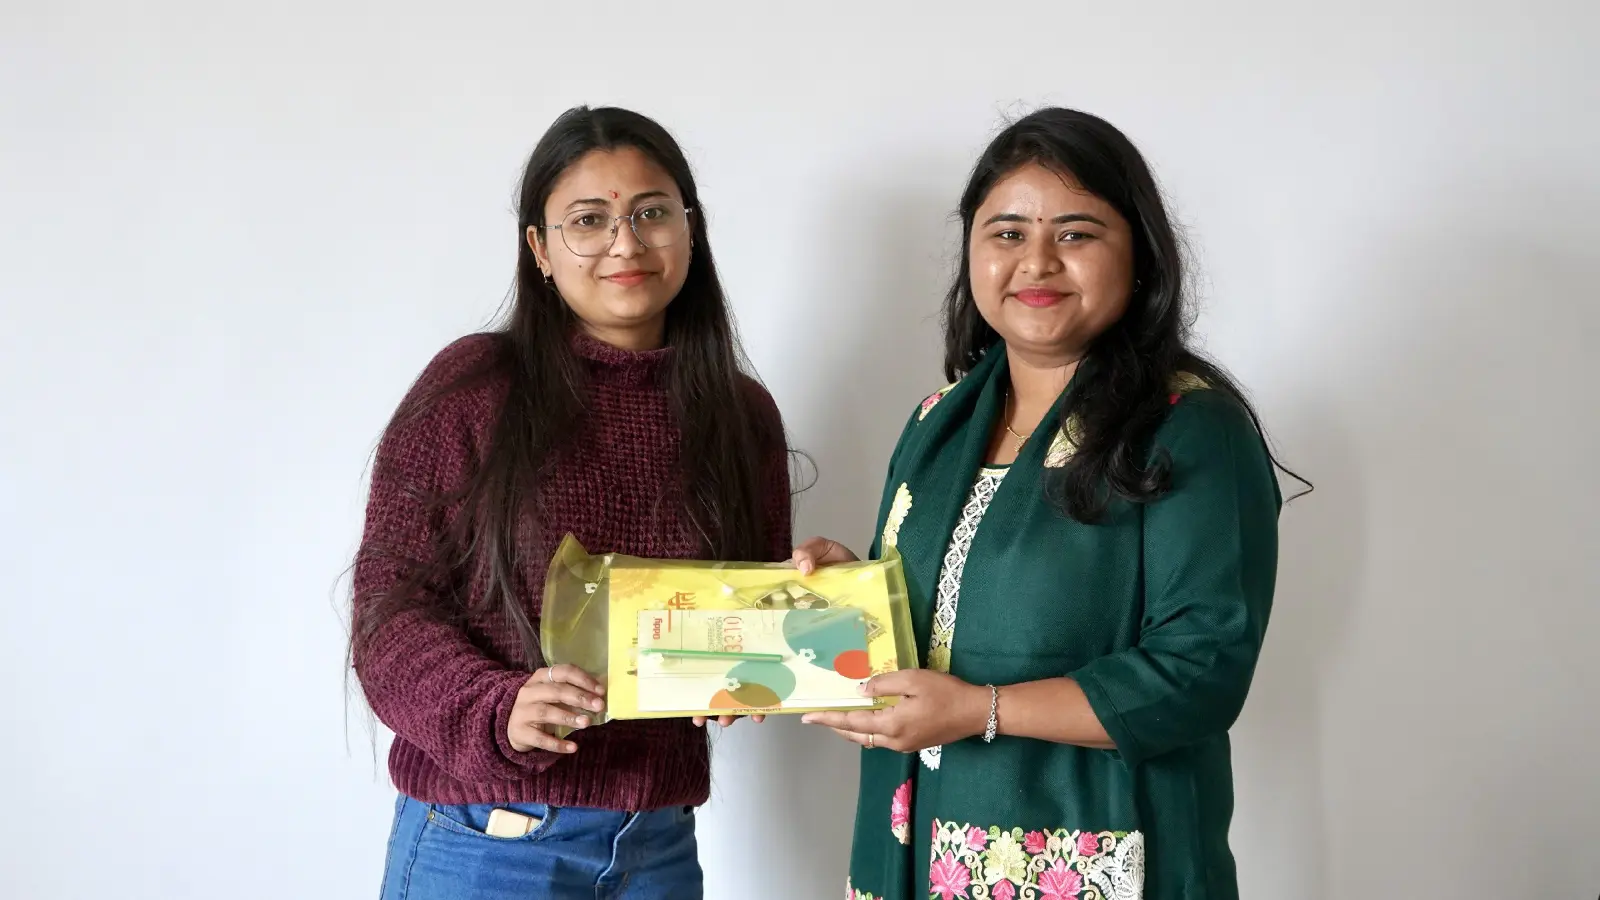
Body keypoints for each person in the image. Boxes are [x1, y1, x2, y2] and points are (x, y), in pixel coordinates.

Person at [794, 108, 1301, 900]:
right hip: (914, 851)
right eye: (1007, 233)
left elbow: (1200, 671)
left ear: (1139, 254)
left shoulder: (1190, 429)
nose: (1036, 261)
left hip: (1096, 859)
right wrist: (846, 596)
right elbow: (946, 622)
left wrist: (981, 710)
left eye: (1076, 234)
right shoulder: (938, 422)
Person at [350, 106, 790, 900]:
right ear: (540, 249)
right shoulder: (473, 388)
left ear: (691, 229)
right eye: (589, 221)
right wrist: (497, 710)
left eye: (652, 214)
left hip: (658, 844)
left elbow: (743, 625)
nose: (626, 244)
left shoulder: (740, 415)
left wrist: (804, 601)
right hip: (487, 841)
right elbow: (389, 613)